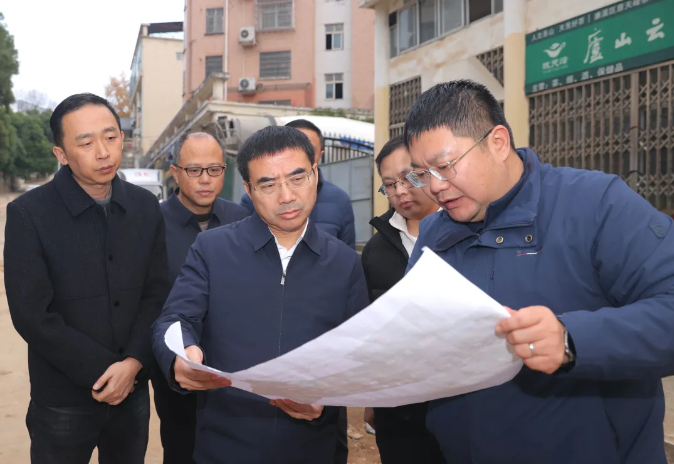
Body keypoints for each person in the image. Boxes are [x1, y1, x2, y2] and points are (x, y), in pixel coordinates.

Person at [404, 79, 674, 464]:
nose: (434, 187)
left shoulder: (595, 205)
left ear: (498, 142)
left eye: (445, 167)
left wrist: (572, 340)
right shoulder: (434, 233)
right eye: (422, 173)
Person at [152, 125, 369, 464]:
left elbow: (359, 350)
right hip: (225, 446)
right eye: (268, 184)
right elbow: (176, 318)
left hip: (314, 447)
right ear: (249, 191)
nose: (286, 196)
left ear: (315, 175)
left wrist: (327, 398)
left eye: (297, 178)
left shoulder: (344, 262)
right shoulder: (212, 248)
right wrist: (180, 353)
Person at [4, 93, 169, 464]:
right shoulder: (29, 214)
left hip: (132, 390)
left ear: (122, 139)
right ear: (61, 154)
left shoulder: (145, 207)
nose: (103, 152)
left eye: (110, 137)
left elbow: (157, 293)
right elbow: (32, 314)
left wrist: (133, 363)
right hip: (62, 399)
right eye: (86, 143)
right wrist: (105, 371)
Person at [151, 131, 250, 464]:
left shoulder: (242, 220)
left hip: (234, 368)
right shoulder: (152, 225)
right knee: (182, 450)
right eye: (194, 170)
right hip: (176, 371)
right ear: (175, 172)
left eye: (214, 169)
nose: (205, 179)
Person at [360, 135, 445, 464]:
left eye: (408, 178)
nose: (399, 191)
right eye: (389, 184)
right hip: (399, 409)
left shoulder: (467, 231)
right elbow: (371, 327)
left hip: (460, 399)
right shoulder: (376, 251)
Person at [240, 119, 356, 250]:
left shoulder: (339, 199)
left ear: (320, 155)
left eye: (306, 147)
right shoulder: (251, 201)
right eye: (269, 185)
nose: (287, 197)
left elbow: (346, 249)